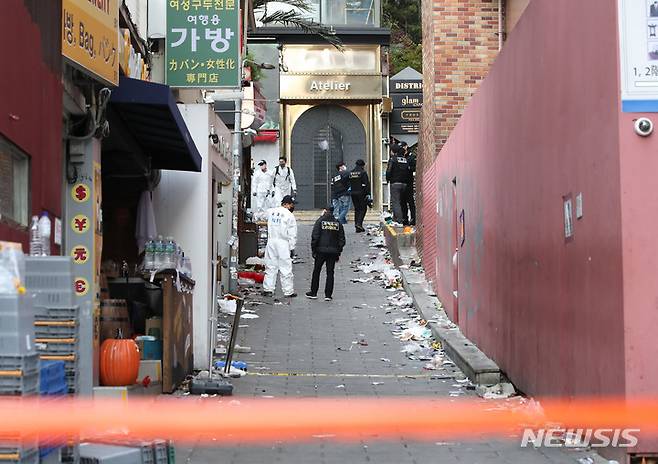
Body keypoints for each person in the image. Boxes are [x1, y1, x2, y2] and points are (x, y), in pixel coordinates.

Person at [306, 205, 346, 301]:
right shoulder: (337, 223)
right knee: (330, 272)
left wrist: (314, 249)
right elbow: (342, 239)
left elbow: (315, 236)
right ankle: (328, 295)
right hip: (333, 252)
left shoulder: (320, 221)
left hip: (320, 250)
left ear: (325, 211)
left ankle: (314, 292)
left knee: (317, 271)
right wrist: (338, 250)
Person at [263, 195, 298, 298]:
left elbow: (260, 216)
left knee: (270, 266)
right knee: (285, 267)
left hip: (271, 241)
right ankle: (288, 291)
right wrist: (292, 248)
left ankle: (268, 289)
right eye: (291, 204)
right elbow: (292, 233)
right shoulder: (289, 215)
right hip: (283, 243)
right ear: (286, 204)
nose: (292, 206)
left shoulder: (271, 211)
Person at [386, 144, 410, 225]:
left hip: (395, 183)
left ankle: (399, 221)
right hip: (405, 184)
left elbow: (389, 171)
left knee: (396, 202)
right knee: (403, 202)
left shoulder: (393, 159)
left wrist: (387, 179)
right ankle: (404, 218)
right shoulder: (405, 159)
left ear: (393, 151)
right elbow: (408, 171)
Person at [349, 159, 371, 233]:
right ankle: (359, 224)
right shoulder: (363, 172)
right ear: (362, 165)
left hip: (353, 193)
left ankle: (357, 226)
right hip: (361, 193)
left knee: (357, 209)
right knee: (363, 209)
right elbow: (366, 184)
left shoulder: (351, 173)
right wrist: (368, 194)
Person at [400, 142, 416, 226]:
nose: (402, 148)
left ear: (406, 147)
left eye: (403, 146)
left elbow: (413, 168)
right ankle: (405, 219)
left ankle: (413, 219)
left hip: (408, 182)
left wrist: (408, 167)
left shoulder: (411, 156)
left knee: (410, 202)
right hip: (401, 182)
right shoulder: (400, 157)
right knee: (403, 203)